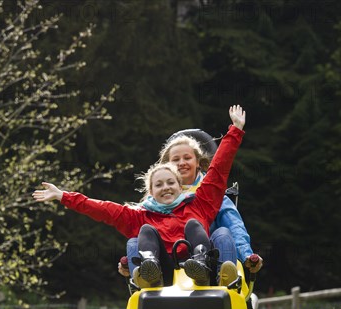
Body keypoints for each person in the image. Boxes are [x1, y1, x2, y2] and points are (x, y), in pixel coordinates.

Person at [33, 105, 246, 287]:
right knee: (142, 233)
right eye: (159, 185)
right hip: (166, 269)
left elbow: (218, 169)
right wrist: (63, 196)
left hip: (197, 262)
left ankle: (202, 265)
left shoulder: (199, 203)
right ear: (151, 192)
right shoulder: (141, 215)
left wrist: (235, 131)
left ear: (180, 187)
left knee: (194, 225)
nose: (166, 188)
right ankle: (147, 272)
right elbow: (101, 208)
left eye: (171, 183)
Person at [120, 131, 264, 286]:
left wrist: (247, 255)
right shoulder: (153, 203)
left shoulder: (211, 196)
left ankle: (224, 280)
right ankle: (144, 280)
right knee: (134, 241)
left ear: (198, 162)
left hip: (208, 256)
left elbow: (234, 227)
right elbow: (143, 234)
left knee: (223, 233)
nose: (182, 163)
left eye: (187, 158)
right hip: (166, 263)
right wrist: (130, 260)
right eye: (176, 159)